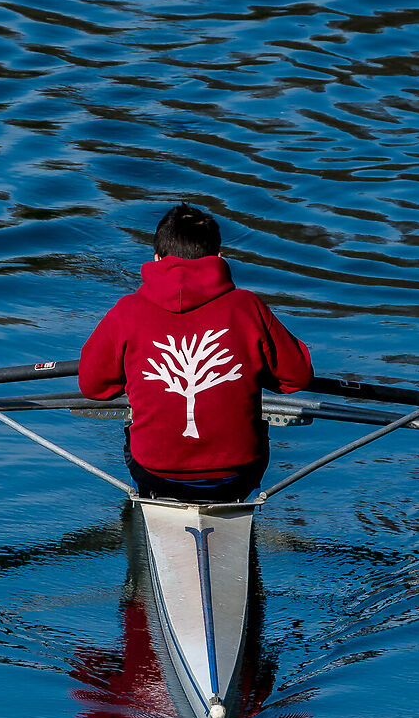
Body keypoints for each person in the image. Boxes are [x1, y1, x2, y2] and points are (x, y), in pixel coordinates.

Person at [78, 203, 313, 502]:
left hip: (155, 472)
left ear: (156, 258)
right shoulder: (248, 307)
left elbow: (93, 386)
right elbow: (298, 377)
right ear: (219, 258)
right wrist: (251, 367)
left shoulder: (127, 311)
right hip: (237, 474)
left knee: (133, 422)